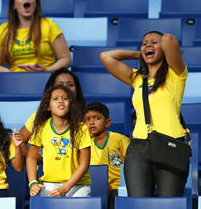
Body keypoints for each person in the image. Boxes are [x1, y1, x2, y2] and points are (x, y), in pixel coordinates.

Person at [100, 31, 188, 197]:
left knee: (168, 205)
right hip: (139, 147)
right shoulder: (137, 77)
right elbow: (106, 56)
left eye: (154, 42)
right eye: (144, 43)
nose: (148, 45)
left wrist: (161, 48)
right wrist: (140, 54)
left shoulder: (176, 73)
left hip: (171, 144)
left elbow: (170, 39)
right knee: (138, 204)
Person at [0, 0, 71, 72]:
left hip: (45, 79)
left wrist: (47, 70)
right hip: (15, 81)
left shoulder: (49, 25)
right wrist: (9, 73)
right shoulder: (3, 30)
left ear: (35, 3)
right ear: (14, 5)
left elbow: (66, 59)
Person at [26, 85, 91, 197]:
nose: (60, 101)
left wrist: (65, 188)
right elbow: (31, 157)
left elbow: (84, 163)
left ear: (71, 104)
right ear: (47, 106)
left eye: (65, 98)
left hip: (78, 185)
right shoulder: (41, 127)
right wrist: (32, 182)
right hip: (49, 184)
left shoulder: (82, 128)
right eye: (55, 99)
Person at [20, 68, 86, 156]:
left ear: (77, 91)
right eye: (60, 85)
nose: (65, 88)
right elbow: (19, 142)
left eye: (70, 84)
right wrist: (36, 159)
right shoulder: (40, 115)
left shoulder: (87, 115)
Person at [84, 102, 130, 209]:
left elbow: (132, 165)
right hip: (94, 187)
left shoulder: (120, 139)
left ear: (107, 123)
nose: (91, 122)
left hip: (117, 187)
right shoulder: (84, 144)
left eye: (96, 118)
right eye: (87, 119)